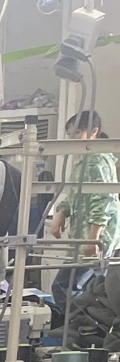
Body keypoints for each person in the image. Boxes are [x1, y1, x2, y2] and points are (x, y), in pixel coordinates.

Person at [51, 110, 119, 317]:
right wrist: (61, 212)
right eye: (69, 134)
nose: (71, 138)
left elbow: (104, 200)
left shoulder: (97, 160)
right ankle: (83, 327)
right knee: (90, 291)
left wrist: (93, 238)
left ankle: (81, 327)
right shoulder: (84, 161)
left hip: (95, 239)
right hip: (84, 238)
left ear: (94, 132)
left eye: (77, 133)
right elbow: (75, 195)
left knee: (66, 287)